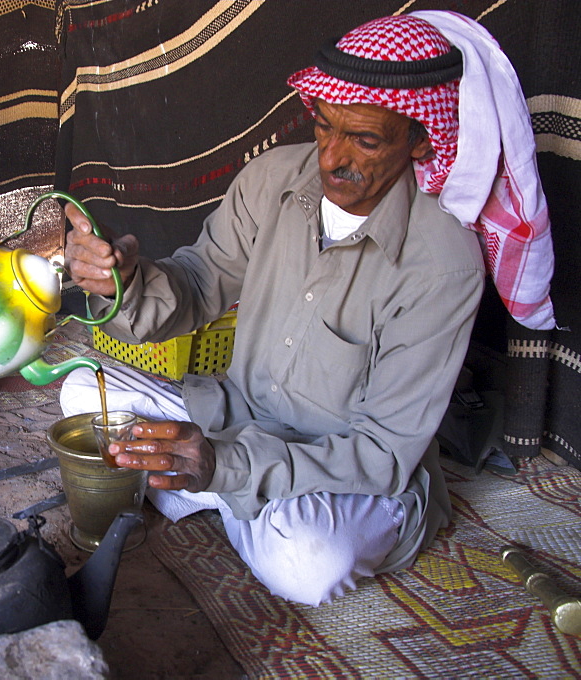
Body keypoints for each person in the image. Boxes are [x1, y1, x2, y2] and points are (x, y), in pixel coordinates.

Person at [60, 12, 555, 606]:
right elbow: (194, 286)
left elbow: (380, 452)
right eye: (324, 127)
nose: (332, 160)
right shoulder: (272, 180)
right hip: (237, 414)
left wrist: (226, 467)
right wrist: (124, 281)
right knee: (81, 392)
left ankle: (206, 488)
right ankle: (212, 487)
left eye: (365, 140)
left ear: (420, 138)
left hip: (341, 470)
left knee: (308, 561)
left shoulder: (443, 263)